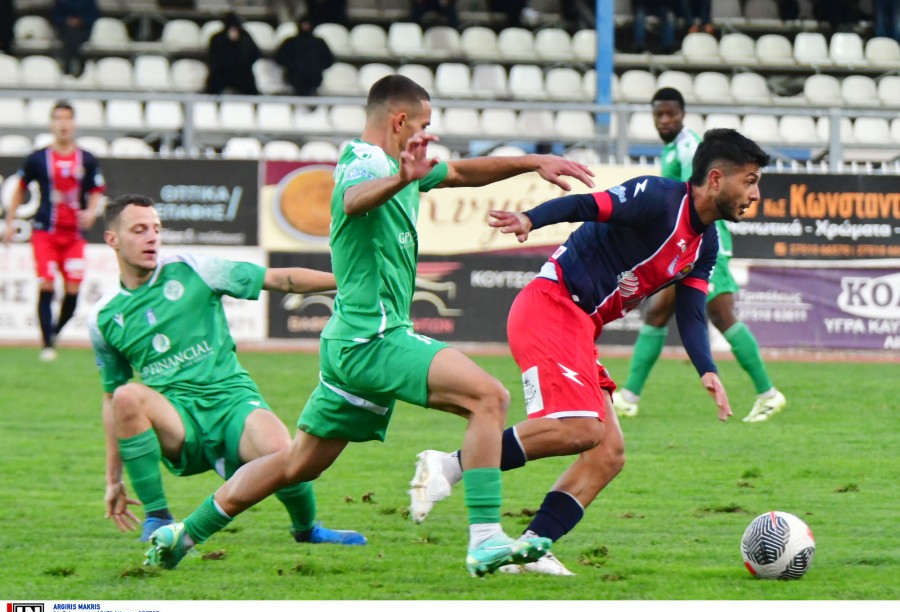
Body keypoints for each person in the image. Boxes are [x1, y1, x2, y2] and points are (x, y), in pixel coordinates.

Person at [143, 74, 595, 577]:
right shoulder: (364, 161)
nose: (427, 134)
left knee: (297, 464)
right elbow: (355, 200)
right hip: (373, 337)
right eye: (423, 124)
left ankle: (183, 533)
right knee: (488, 397)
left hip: (348, 344)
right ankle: (485, 539)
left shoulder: (402, 168)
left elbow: (465, 171)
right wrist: (403, 177)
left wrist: (535, 162)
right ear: (399, 120)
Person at [409, 128, 771, 575]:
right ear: (716, 179)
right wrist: (530, 219)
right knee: (581, 429)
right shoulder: (657, 196)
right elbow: (587, 205)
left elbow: (693, 310)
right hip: (551, 305)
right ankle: (449, 464)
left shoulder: (707, 243)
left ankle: (531, 547)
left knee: (608, 453)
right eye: (750, 181)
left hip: (580, 327)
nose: (755, 193)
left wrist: (707, 369)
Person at [91, 193, 366, 552]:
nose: (152, 237)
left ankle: (306, 529)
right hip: (180, 421)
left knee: (283, 450)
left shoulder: (194, 269)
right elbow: (112, 397)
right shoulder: (104, 318)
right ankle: (158, 518)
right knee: (126, 395)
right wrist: (113, 479)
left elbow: (280, 279)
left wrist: (350, 283)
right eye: (139, 230)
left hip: (232, 402)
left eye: (156, 229)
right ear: (113, 239)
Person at [615, 88, 786, 424]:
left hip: (705, 245)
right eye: (659, 115)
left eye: (671, 114)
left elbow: (703, 198)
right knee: (658, 311)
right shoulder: (672, 148)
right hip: (684, 246)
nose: (665, 120)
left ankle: (769, 394)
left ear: (682, 114)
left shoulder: (689, 146)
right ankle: (629, 396)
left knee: (721, 314)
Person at [3, 101, 105, 362]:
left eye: (67, 118)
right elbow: (19, 188)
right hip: (45, 233)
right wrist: (10, 222)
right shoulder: (38, 158)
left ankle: (55, 332)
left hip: (74, 236)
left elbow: (96, 190)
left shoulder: (87, 158)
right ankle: (47, 344)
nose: (63, 124)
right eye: (58, 118)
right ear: (52, 124)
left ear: (73, 124)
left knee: (73, 290)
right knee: (46, 283)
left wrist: (91, 211)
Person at [274, 15, 334, 96]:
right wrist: (293, 66)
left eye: (307, 24)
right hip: (294, 78)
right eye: (303, 24)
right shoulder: (290, 42)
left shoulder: (319, 42)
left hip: (314, 79)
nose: (305, 27)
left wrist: (316, 67)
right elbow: (280, 58)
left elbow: (329, 60)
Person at [205, 12, 260, 95]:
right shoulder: (217, 38)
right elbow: (214, 57)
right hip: (222, 72)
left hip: (242, 72)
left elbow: (255, 54)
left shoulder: (245, 37)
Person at [51, 0, 99, 77]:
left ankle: (69, 65)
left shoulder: (88, 2)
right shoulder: (61, 2)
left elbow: (93, 16)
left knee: (73, 37)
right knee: (70, 35)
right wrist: (67, 21)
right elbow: (55, 16)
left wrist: (81, 21)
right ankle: (76, 62)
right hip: (65, 30)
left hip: (83, 30)